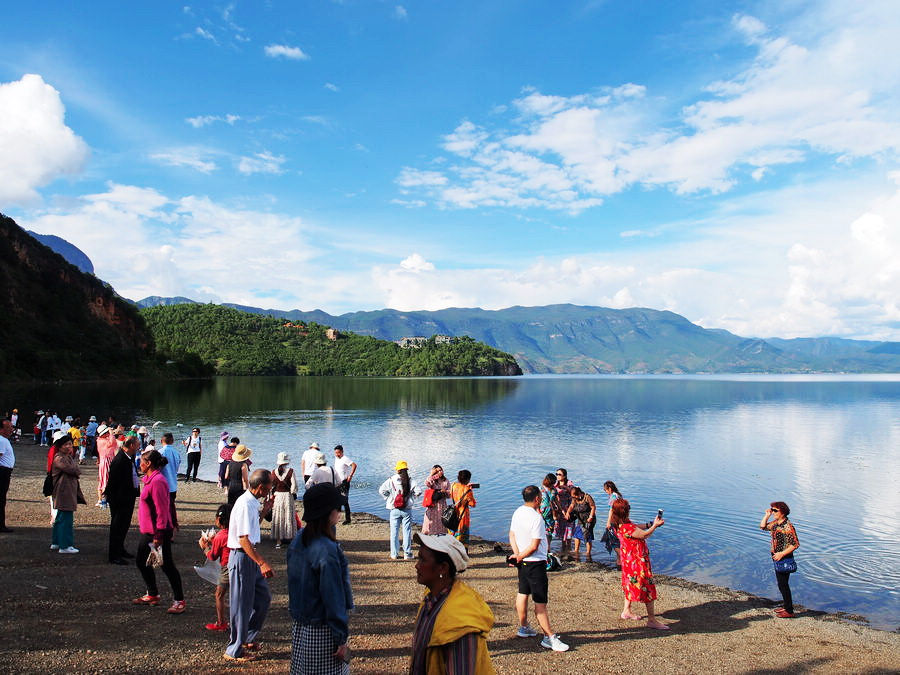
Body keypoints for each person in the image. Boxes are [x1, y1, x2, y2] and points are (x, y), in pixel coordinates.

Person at [287, 483, 353, 675]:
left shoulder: (299, 539)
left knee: (302, 670)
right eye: (337, 507)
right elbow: (333, 596)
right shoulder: (326, 550)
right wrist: (340, 638)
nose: (339, 511)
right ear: (327, 512)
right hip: (323, 628)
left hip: (301, 623)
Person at [410, 533, 495, 674]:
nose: (417, 566)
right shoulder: (430, 599)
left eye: (423, 560)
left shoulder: (459, 623)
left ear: (443, 568)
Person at [509, 485, 569, 650]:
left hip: (523, 561)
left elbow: (512, 534)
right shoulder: (536, 518)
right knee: (540, 602)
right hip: (535, 563)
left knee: (523, 593)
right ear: (536, 499)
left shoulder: (518, 512)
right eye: (540, 498)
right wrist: (520, 556)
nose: (541, 500)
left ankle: (524, 627)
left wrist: (517, 555)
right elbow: (535, 545)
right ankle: (549, 637)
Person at [225, 469, 275, 663]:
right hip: (242, 556)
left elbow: (251, 529)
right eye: (270, 484)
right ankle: (234, 649)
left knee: (263, 599)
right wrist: (262, 562)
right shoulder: (245, 504)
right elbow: (243, 539)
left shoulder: (253, 503)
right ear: (261, 487)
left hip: (250, 556)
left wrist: (265, 510)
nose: (271, 487)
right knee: (241, 605)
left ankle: (246, 637)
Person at [133, 449, 185, 614]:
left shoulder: (158, 481)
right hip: (148, 530)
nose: (139, 464)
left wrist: (160, 534)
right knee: (141, 561)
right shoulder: (149, 479)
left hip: (158, 531)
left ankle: (179, 600)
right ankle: (153, 594)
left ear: (148, 464)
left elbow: (163, 509)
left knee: (167, 565)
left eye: (141, 461)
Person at [609, 498, 668, 629]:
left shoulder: (619, 524)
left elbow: (637, 528)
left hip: (629, 562)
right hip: (637, 563)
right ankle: (651, 620)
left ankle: (626, 611)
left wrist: (651, 523)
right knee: (647, 588)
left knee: (629, 583)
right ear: (625, 511)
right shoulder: (626, 527)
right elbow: (644, 535)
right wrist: (654, 527)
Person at [760, 501, 801, 619]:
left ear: (782, 512)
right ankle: (786, 606)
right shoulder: (776, 523)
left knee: (783, 584)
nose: (773, 512)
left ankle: (789, 610)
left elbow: (795, 544)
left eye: (775, 511)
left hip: (784, 557)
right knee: (781, 584)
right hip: (777, 557)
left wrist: (781, 554)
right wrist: (766, 516)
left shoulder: (787, 526)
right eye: (772, 510)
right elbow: (762, 526)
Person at [106, 435, 140, 564]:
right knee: (117, 527)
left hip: (127, 496)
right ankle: (114, 555)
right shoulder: (120, 460)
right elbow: (113, 482)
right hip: (120, 499)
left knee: (124, 525)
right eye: (137, 445)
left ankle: (120, 549)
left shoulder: (128, 457)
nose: (138, 447)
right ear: (131, 446)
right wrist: (116, 499)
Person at [199, 503, 232, 632]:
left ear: (219, 519)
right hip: (239, 566)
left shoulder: (220, 536)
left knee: (219, 594)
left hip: (227, 569)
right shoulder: (235, 532)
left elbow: (212, 556)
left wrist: (205, 547)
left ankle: (221, 622)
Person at [379, 460, 421, 560]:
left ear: (398, 470)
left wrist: (389, 497)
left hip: (394, 509)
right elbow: (419, 491)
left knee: (394, 532)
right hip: (407, 509)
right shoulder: (410, 480)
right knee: (406, 531)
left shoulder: (391, 480)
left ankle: (394, 554)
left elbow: (381, 490)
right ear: (406, 470)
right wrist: (411, 496)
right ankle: (407, 554)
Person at [50, 434, 84, 554]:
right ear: (60, 446)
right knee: (66, 518)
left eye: (70, 444)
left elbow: (74, 469)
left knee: (60, 517)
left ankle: (56, 542)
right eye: (66, 444)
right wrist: (76, 470)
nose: (69, 446)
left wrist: (75, 469)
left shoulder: (66, 457)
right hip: (64, 491)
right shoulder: (60, 458)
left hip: (66, 490)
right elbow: (73, 470)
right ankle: (65, 545)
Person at [272, 452, 298, 548]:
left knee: (278, 516)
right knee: (288, 516)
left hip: (278, 496)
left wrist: (273, 493)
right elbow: (294, 485)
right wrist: (293, 492)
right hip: (287, 496)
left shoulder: (273, 472)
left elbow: (272, 485)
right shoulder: (291, 471)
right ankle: (290, 538)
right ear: (287, 462)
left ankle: (278, 541)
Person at [565, 487, 597, 559]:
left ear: (579, 493)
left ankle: (588, 553)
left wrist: (591, 517)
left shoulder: (587, 497)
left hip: (589, 519)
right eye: (573, 497)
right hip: (580, 518)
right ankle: (576, 550)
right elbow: (572, 506)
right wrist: (567, 513)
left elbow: (593, 507)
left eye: (575, 496)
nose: (574, 498)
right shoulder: (574, 498)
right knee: (577, 534)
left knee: (587, 535)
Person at [157, 433, 181, 527]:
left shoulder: (160, 452)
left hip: (163, 485)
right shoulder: (176, 452)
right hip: (173, 484)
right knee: (171, 508)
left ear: (161, 441)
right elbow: (177, 467)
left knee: (162, 509)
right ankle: (171, 528)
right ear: (172, 441)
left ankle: (164, 527)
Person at [449, 470, 477, 549]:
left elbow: (452, 495)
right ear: (468, 479)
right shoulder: (467, 490)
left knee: (454, 533)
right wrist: (470, 490)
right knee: (462, 535)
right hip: (463, 515)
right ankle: (463, 552)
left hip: (454, 513)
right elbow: (473, 504)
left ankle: (453, 550)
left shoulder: (453, 485)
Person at [422, 465, 451, 535]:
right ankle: (429, 534)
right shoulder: (433, 479)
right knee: (431, 520)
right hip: (432, 504)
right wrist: (432, 474)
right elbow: (427, 483)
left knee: (441, 520)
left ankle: (441, 535)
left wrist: (445, 491)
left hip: (442, 504)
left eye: (441, 470)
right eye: (437, 471)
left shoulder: (445, 480)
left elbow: (449, 494)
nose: (440, 472)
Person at [333, 445, 357, 525]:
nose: (337, 454)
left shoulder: (345, 458)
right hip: (337, 482)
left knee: (344, 500)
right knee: (337, 500)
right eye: (335, 453)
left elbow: (354, 465)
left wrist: (350, 475)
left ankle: (348, 519)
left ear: (342, 452)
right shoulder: (336, 459)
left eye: (338, 453)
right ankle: (337, 518)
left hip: (344, 482)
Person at [553, 469, 575, 553]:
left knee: (569, 528)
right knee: (562, 530)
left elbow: (573, 493)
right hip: (559, 509)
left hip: (568, 508)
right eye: (557, 474)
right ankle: (563, 549)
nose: (557, 476)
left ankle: (569, 548)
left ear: (564, 476)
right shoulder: (555, 484)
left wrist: (565, 487)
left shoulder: (569, 483)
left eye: (559, 474)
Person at [0, 419, 16, 533]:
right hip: (2, 472)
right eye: (8, 427)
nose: (11, 429)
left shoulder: (4, 440)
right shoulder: (1, 440)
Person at [95, 423, 117, 508]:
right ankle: (103, 500)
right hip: (106, 461)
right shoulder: (102, 441)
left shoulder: (101, 440)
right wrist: (111, 433)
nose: (108, 433)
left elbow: (113, 443)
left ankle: (102, 499)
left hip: (106, 461)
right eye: (107, 432)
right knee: (105, 480)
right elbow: (113, 443)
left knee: (104, 480)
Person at [602, 481, 623, 565]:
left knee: (613, 540)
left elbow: (611, 510)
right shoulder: (618, 495)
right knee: (618, 540)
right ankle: (619, 561)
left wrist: (608, 522)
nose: (606, 492)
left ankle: (622, 557)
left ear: (609, 488)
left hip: (614, 521)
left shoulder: (613, 497)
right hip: (620, 520)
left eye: (606, 490)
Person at [538, 473, 558, 545]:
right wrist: (538, 512)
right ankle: (541, 547)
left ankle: (548, 547)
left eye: (554, 483)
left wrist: (562, 510)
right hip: (542, 512)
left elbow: (555, 500)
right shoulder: (540, 489)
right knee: (541, 531)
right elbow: (537, 502)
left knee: (549, 531)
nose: (553, 485)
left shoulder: (554, 490)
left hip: (552, 513)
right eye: (552, 483)